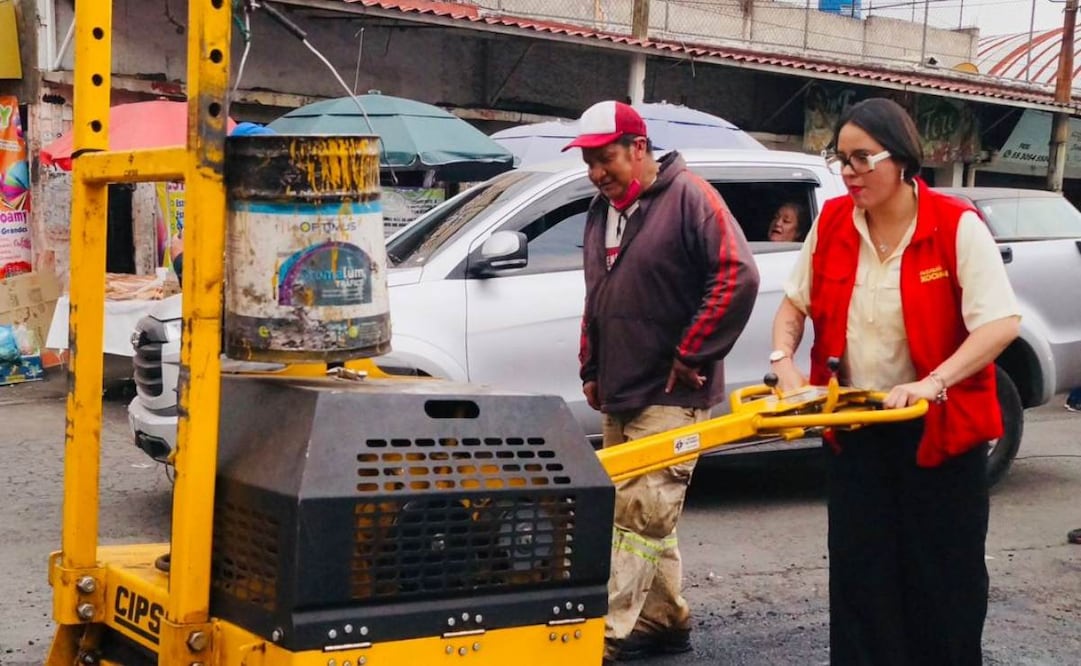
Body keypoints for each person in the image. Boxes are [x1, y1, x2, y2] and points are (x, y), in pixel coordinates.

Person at [770, 98, 1021, 665]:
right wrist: (784, 364)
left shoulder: (955, 226)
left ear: (903, 159)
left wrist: (934, 382)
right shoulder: (833, 222)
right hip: (856, 428)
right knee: (861, 581)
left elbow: (1000, 323)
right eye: (842, 160)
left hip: (938, 433)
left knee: (942, 586)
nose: (849, 172)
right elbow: (793, 305)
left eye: (863, 159)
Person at [568, 101, 760, 664]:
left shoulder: (690, 198)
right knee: (639, 514)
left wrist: (692, 351)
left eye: (605, 159)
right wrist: (591, 367)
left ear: (638, 149)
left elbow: (737, 274)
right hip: (620, 386)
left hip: (671, 393)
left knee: (640, 513)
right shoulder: (601, 211)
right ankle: (664, 620)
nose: (596, 173)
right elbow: (597, 296)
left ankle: (606, 632)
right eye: (589, 163)